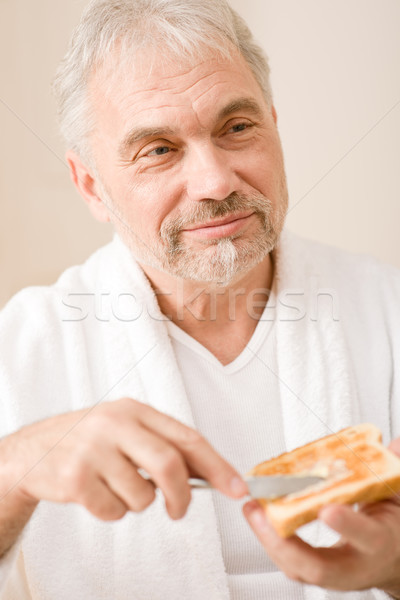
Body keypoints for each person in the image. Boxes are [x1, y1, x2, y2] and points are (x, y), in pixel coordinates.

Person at [0, 0, 400, 598]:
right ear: (91, 186)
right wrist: (13, 473)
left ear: (273, 123)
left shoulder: (387, 309)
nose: (216, 182)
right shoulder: (23, 347)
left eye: (237, 128)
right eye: (158, 149)